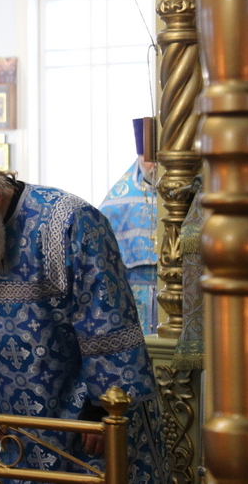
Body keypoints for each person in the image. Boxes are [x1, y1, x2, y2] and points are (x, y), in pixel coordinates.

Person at [0, 156, 164, 483]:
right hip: (16, 408)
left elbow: (107, 318)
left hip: (84, 404)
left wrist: (103, 411)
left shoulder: (71, 220)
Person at [99, 119, 159, 335]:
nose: (156, 165)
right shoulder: (115, 204)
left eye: (160, 158)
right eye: (149, 159)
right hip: (133, 298)